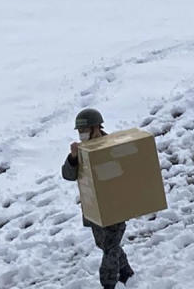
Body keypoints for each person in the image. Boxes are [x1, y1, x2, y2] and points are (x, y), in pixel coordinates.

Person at [62, 109, 135, 289]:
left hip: (115, 208)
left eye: (85, 130)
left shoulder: (112, 146)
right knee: (106, 245)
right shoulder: (81, 150)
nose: (82, 134)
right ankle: (127, 274)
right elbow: (68, 175)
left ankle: (108, 284)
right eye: (80, 131)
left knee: (110, 248)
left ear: (96, 128)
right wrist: (73, 158)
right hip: (95, 210)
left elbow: (125, 173)